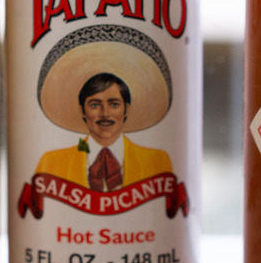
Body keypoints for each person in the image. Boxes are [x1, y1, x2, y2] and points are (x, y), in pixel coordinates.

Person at [35, 73, 172, 191]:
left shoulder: (158, 161)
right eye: (95, 105)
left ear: (127, 109)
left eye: (114, 104)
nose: (105, 114)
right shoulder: (52, 162)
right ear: (82, 111)